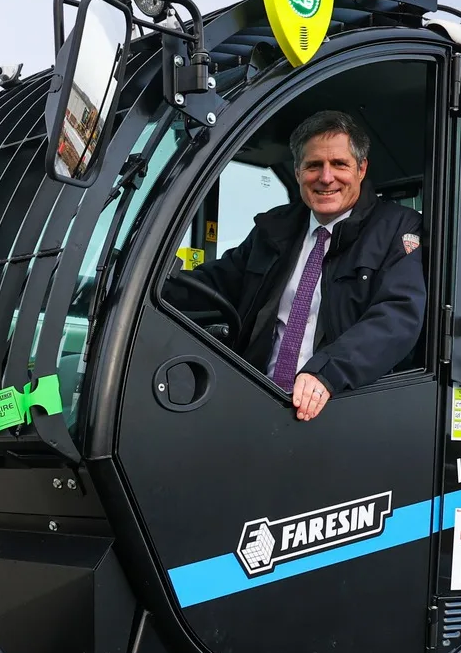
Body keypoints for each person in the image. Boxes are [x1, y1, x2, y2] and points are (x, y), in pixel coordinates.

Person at [172, 110, 425, 420]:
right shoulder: (274, 229)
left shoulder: (397, 230)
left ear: (361, 169)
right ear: (297, 172)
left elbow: (397, 317)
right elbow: (216, 283)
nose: (326, 177)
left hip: (336, 408)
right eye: (314, 165)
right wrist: (143, 287)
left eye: (339, 164)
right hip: (254, 396)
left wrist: (327, 372)